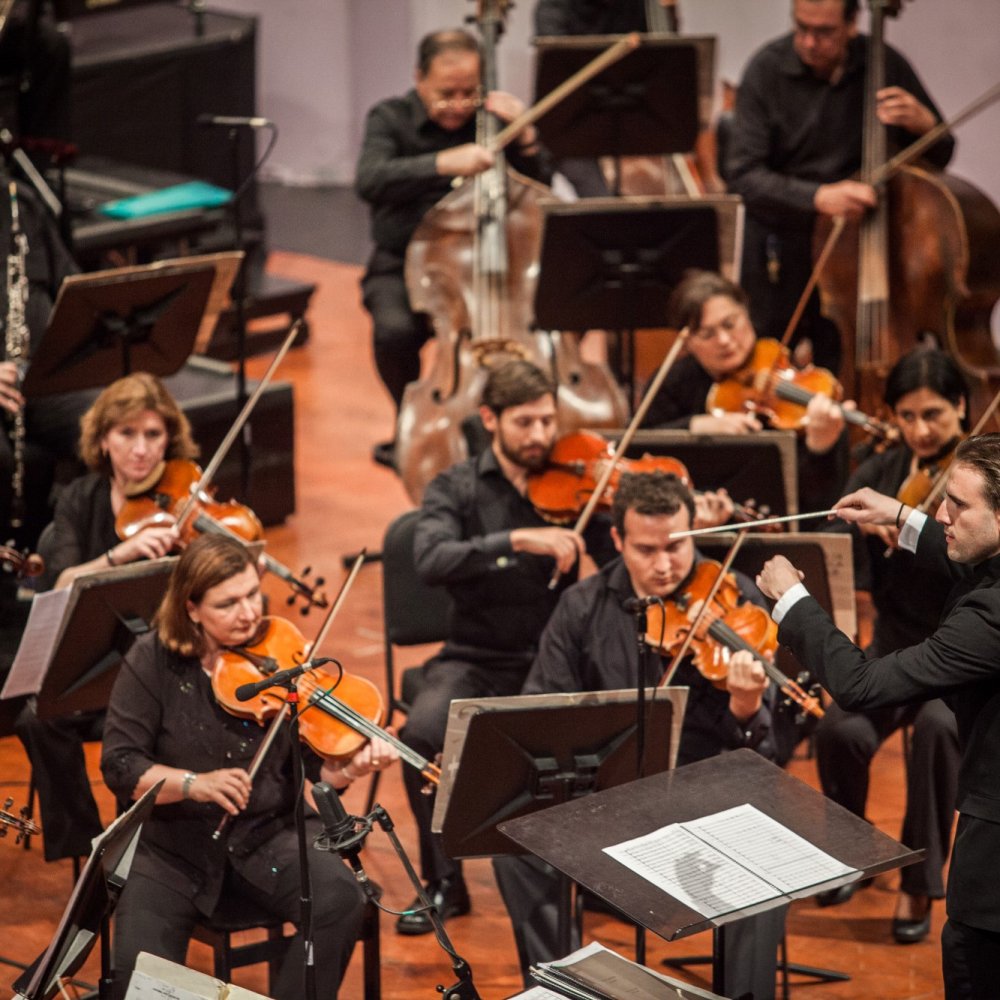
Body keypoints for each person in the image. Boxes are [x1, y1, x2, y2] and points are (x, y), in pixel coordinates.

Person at [494, 470, 794, 998]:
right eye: (646, 549)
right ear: (616, 541)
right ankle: (564, 989)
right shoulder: (582, 606)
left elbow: (765, 754)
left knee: (764, 850)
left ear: (695, 529)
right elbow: (540, 718)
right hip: (607, 806)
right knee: (518, 846)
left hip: (708, 806)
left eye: (677, 546)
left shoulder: (738, 599)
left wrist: (747, 708)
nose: (664, 565)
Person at [101, 533, 399, 1000]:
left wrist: (351, 769)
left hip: (270, 836)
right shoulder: (152, 660)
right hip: (172, 851)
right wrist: (195, 784)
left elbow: (313, 769)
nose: (248, 613)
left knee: (343, 900)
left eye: (251, 594)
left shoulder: (279, 658)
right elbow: (120, 765)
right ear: (192, 608)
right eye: (228, 603)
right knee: (135, 980)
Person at [756, 433, 1000, 998]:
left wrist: (793, 601)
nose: (943, 513)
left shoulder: (989, 618)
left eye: (958, 506)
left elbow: (860, 685)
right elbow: (974, 556)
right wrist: (899, 515)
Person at [397, 358, 610, 935]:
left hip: (556, 660)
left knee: (621, 728)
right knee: (419, 738)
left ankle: (596, 874)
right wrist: (516, 540)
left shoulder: (575, 481)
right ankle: (444, 884)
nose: (541, 435)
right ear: (490, 419)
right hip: (477, 657)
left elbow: (617, 558)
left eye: (547, 420)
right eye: (525, 422)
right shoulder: (455, 487)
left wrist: (619, 510)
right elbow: (430, 560)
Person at [14, 372, 197, 862]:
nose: (141, 450)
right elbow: (62, 583)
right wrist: (124, 554)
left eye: (154, 435)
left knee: (147, 735)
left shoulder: (185, 504)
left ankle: (147, 851)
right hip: (96, 670)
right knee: (37, 719)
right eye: (127, 434)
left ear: (170, 440)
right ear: (102, 439)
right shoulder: (80, 498)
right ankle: (91, 850)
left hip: (163, 676)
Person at [814, 348, 963, 941]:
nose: (920, 430)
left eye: (933, 414)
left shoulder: (980, 478)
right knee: (839, 730)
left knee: (937, 729)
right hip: (898, 641)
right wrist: (866, 541)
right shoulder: (880, 471)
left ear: (961, 407)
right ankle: (854, 854)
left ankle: (920, 884)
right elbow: (834, 549)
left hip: (960, 653)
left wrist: (909, 526)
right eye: (906, 416)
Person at [355, 28, 551, 469]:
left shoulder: (495, 120)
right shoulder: (390, 118)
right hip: (404, 260)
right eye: (446, 93)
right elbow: (369, 179)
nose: (459, 103)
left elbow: (542, 187)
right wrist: (443, 162)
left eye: (469, 92)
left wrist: (526, 135)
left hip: (492, 265)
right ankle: (411, 418)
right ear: (419, 78)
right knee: (393, 331)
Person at [726, 0, 954, 374]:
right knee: (774, 370)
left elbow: (941, 157)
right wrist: (819, 197)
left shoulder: (883, 63)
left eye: (824, 32)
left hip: (862, 250)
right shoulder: (766, 71)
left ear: (852, 23)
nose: (810, 42)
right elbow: (744, 175)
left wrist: (926, 125)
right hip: (783, 252)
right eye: (802, 28)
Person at [640, 269, 849, 516]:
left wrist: (819, 449)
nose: (725, 340)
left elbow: (818, 498)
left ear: (746, 313)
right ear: (686, 343)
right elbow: (638, 449)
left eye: (730, 324)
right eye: (707, 334)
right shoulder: (672, 382)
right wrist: (697, 426)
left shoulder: (780, 366)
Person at [0, 176, 82, 547]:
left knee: (111, 423)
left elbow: (73, 290)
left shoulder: (19, 204)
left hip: (38, 378)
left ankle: (85, 550)